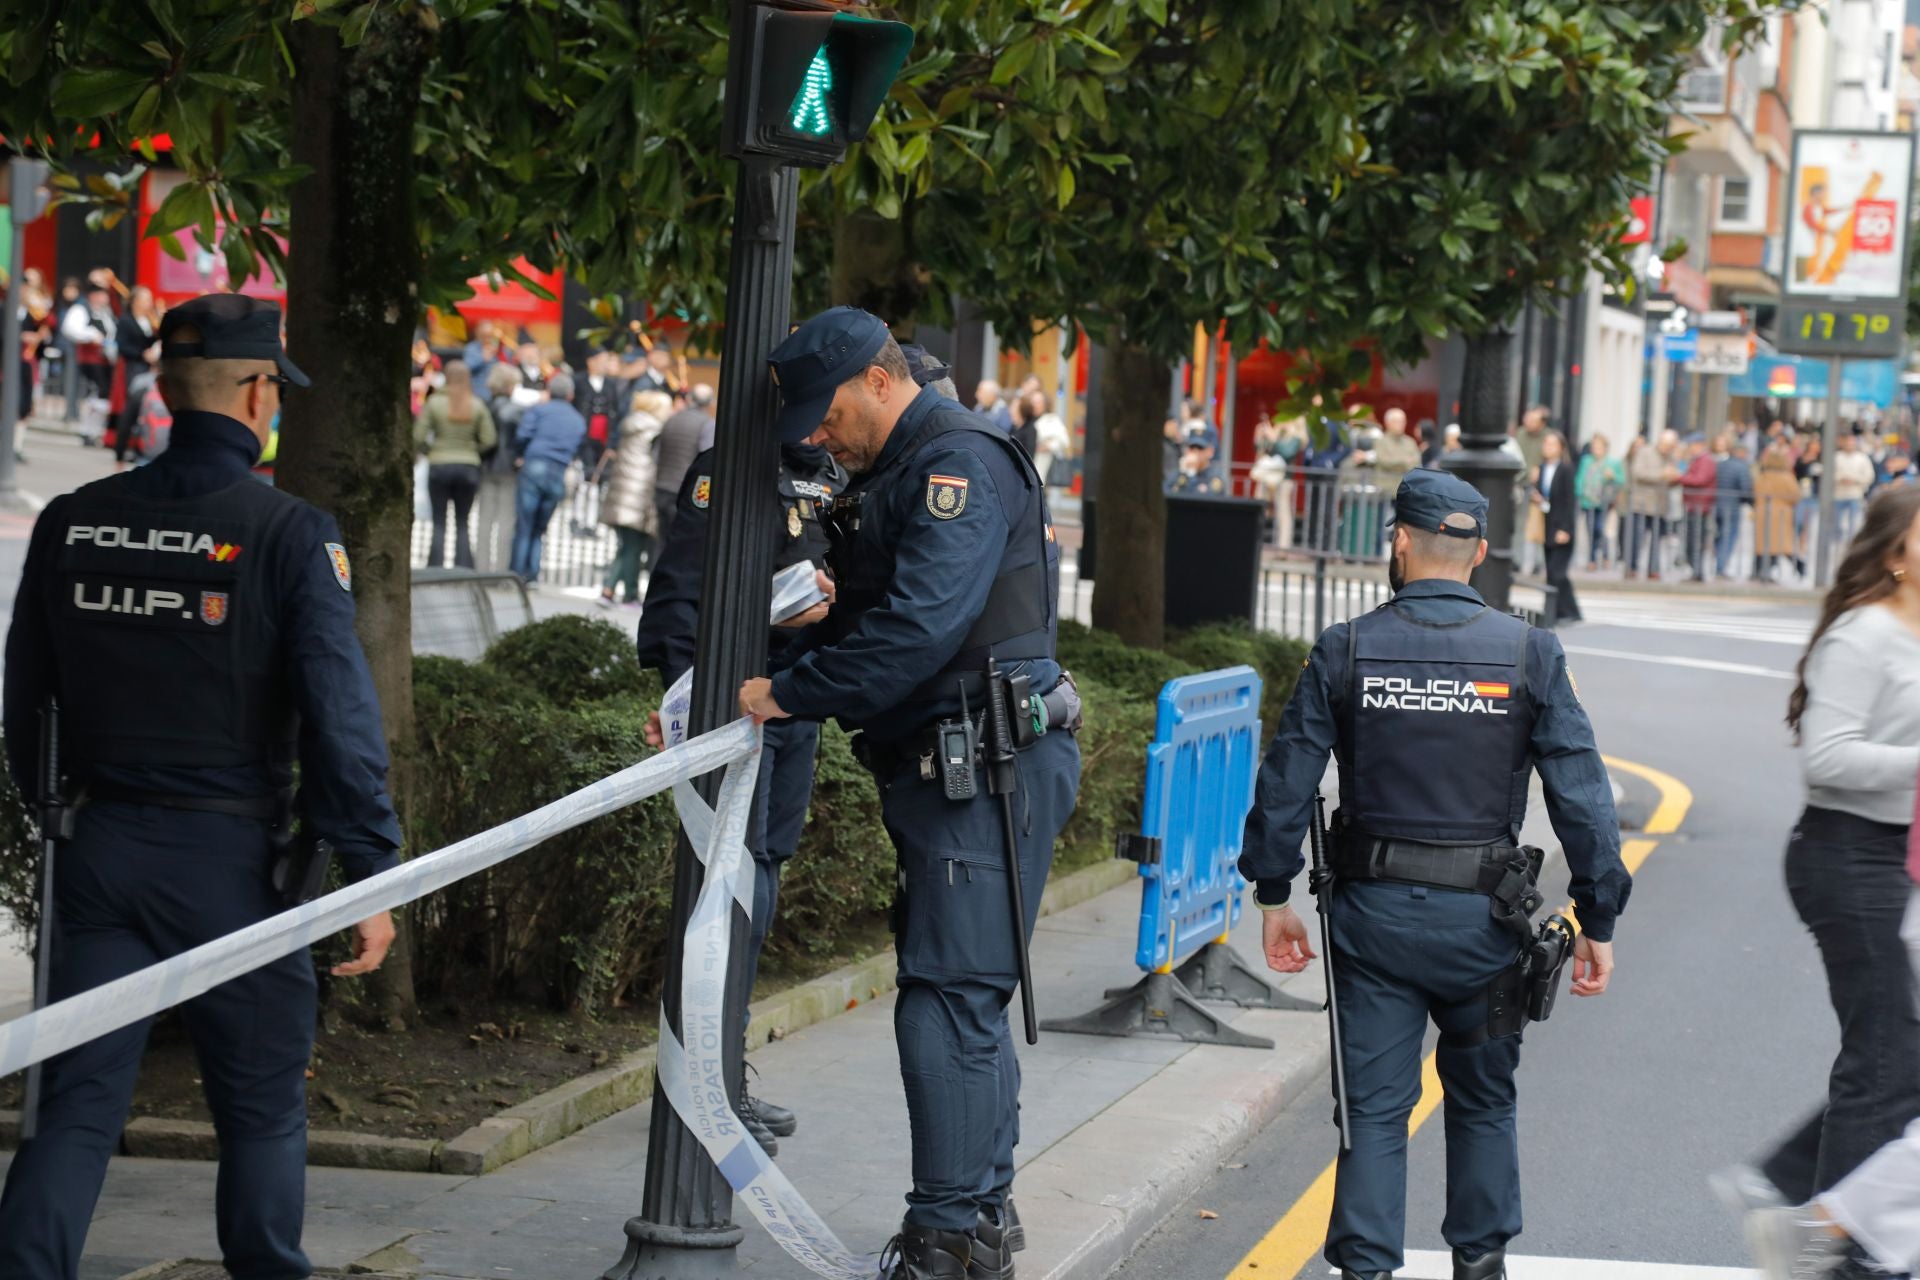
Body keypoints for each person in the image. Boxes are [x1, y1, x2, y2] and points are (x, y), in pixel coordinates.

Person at [0, 294, 401, 1280]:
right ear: (259, 391)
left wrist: (62, 815)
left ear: (168, 390)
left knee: (75, 1103)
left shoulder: (71, 518)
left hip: (98, 855)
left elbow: (22, 706)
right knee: (261, 1105)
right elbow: (341, 721)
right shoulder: (289, 533)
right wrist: (370, 868)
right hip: (238, 871)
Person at [738, 307, 1079, 1280]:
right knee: (964, 988)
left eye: (827, 408)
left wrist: (785, 692)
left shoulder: (956, 466)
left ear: (880, 379)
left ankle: (941, 1239)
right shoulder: (898, 468)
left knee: (947, 997)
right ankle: (981, 1217)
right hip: (954, 762)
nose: (816, 432)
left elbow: (921, 629)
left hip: (982, 762)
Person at [1239, 467, 1629, 1280]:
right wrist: (1598, 916)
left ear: (1400, 543)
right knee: (1483, 1101)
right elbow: (1582, 798)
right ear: (1481, 552)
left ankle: (1367, 1271)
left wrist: (1273, 895)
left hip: (1373, 924)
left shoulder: (1346, 647)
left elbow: (1286, 780)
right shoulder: (1530, 653)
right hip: (1485, 928)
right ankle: (1479, 1265)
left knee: (1375, 1114)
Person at [1715, 488, 1920, 1280]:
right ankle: (1836, 1248)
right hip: (1845, 856)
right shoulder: (1863, 635)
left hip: (1900, 853)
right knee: (1888, 1054)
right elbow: (1827, 760)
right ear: (1896, 555)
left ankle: (1793, 1187)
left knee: (1899, 1051)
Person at [636, 420, 847, 1155]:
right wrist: (683, 698)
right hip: (734, 707)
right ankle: (707, 1084)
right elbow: (680, 593)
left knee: (760, 885)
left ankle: (726, 1072)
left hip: (795, 703)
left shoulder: (834, 473)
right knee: (724, 892)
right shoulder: (730, 469)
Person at [413, 361, 497, 569]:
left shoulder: (434, 403)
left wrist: (429, 451)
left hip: (439, 465)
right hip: (468, 467)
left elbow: (418, 436)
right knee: (462, 522)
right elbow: (489, 439)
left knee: (439, 521)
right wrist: (472, 452)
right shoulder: (476, 404)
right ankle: (464, 567)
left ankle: (435, 567)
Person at [593, 388, 670, 607]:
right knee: (632, 546)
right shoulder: (652, 429)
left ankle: (613, 590)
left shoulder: (631, 425)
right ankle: (622, 593)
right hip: (637, 493)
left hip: (623, 492)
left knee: (627, 545)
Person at [509, 372, 586, 584]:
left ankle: (515, 574)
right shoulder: (578, 420)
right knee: (539, 529)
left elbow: (522, 435)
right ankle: (532, 575)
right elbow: (578, 445)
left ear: (549, 392)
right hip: (558, 471)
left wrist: (519, 456)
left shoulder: (539, 411)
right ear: (570, 395)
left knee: (524, 525)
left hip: (534, 466)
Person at [653, 383, 716, 543]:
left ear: (689, 399)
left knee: (660, 540)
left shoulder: (671, 419)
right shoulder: (708, 425)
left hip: (661, 487)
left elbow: (656, 454)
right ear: (710, 403)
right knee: (677, 542)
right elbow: (706, 461)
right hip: (684, 491)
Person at [110, 286, 161, 467]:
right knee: (133, 405)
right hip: (133, 366)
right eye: (145, 299)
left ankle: (140, 442)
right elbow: (123, 346)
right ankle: (126, 445)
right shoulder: (125, 321)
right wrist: (142, 354)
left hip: (147, 367)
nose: (148, 303)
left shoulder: (149, 320)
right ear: (135, 301)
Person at [1535, 429, 1581, 624]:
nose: (1547, 448)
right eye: (1546, 443)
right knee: (1551, 572)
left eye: (1552, 444)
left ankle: (1568, 611)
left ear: (1561, 448)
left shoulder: (1566, 469)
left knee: (1558, 572)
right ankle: (1554, 612)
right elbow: (1544, 496)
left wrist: (1566, 529)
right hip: (1546, 525)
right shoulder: (1541, 469)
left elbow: (1569, 501)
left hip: (1562, 527)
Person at [1627, 430, 1678, 580]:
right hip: (1642, 504)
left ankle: (1653, 568)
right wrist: (1661, 475)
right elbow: (1638, 473)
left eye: (1671, 446)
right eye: (1667, 445)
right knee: (1637, 539)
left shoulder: (1671, 457)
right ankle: (1632, 567)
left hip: (1660, 505)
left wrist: (1674, 479)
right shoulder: (1645, 452)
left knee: (1657, 540)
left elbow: (1670, 480)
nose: (1668, 449)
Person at [1574, 433, 1625, 569]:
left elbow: (1621, 480)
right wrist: (1578, 493)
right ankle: (1592, 559)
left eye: (1598, 447)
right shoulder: (1586, 460)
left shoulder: (1612, 463)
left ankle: (1605, 554)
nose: (1595, 449)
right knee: (1590, 529)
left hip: (1603, 501)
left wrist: (1612, 475)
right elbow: (1580, 478)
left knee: (1599, 528)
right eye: (1594, 447)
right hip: (1587, 500)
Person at [1753, 443, 1801, 584]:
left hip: (1762, 512)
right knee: (1779, 544)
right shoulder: (1786, 477)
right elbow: (1795, 495)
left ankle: (1761, 571)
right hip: (1781, 514)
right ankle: (1797, 567)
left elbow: (1755, 493)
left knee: (1764, 544)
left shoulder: (1763, 477)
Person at [572, 347, 626, 473]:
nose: (606, 364)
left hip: (604, 437)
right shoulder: (578, 381)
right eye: (603, 360)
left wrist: (612, 443)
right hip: (583, 435)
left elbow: (615, 412)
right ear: (591, 361)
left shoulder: (611, 384)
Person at [1678, 434, 1718, 582]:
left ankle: (1697, 572)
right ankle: (1695, 571)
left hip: (1699, 506)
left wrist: (1679, 478)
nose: (1690, 449)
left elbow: (1700, 480)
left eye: (1692, 446)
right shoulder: (1699, 460)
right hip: (1694, 505)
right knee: (1693, 539)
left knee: (1696, 540)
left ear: (1699, 445)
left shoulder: (1706, 460)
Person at [1715, 436, 1755, 581]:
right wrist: (1751, 502)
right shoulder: (1741, 466)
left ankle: (1719, 565)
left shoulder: (1721, 464)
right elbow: (1745, 488)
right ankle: (1720, 567)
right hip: (1732, 507)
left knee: (1720, 536)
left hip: (1717, 504)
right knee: (1728, 537)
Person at [1835, 432, 1877, 547]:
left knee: (1853, 525)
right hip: (1838, 495)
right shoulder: (1836, 457)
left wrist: (1855, 480)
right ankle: (1837, 544)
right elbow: (1829, 474)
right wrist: (1841, 479)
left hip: (1855, 495)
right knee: (1837, 523)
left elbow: (1869, 476)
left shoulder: (1862, 458)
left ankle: (1850, 546)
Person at [1372, 408, 1422, 498]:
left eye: (1403, 421)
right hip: (1386, 492)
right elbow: (1384, 461)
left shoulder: (1410, 442)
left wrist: (1396, 462)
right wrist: (1405, 461)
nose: (1401, 424)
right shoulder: (1381, 441)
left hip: (1406, 491)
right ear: (1388, 422)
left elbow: (1416, 463)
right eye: (1397, 421)